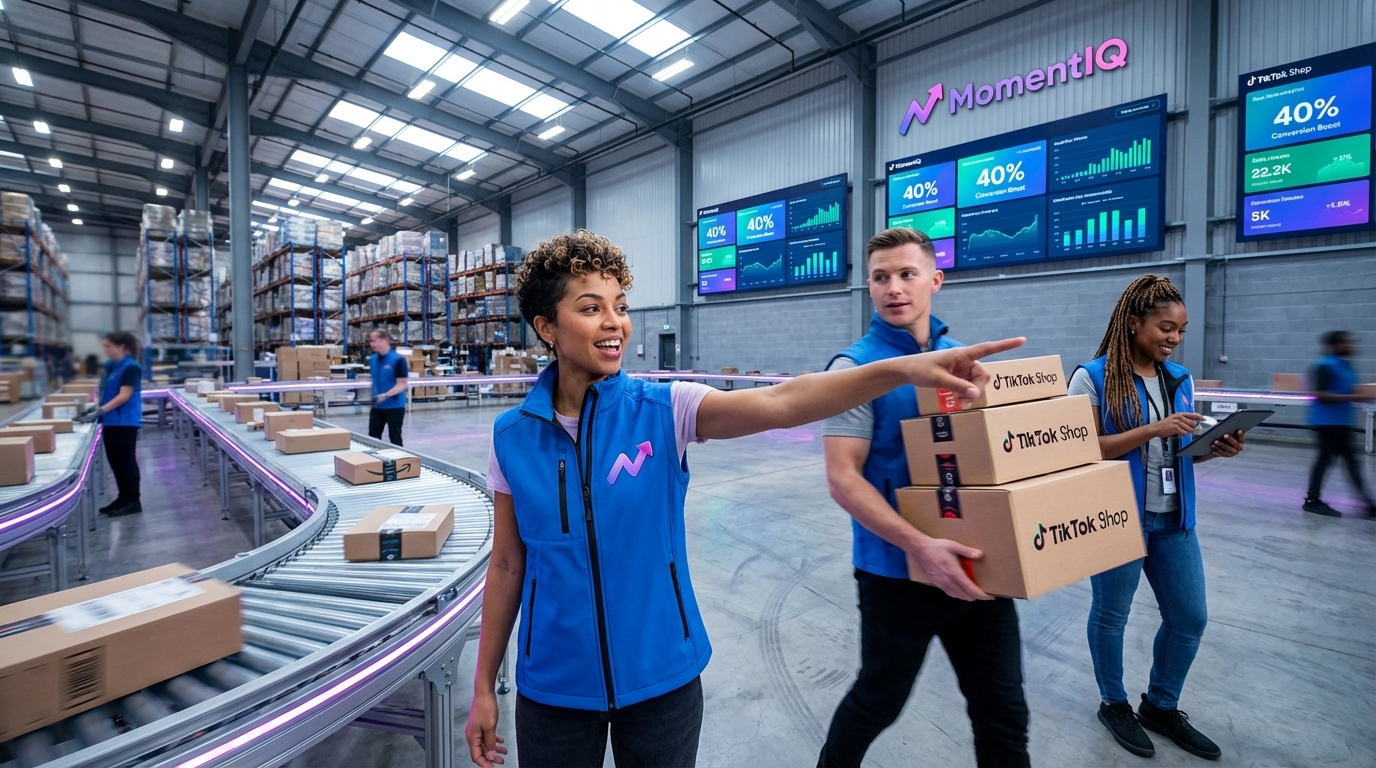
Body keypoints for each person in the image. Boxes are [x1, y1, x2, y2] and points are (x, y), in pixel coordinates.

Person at [464, 229, 1022, 768]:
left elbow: (786, 401)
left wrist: (900, 368)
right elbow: (511, 563)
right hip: (555, 687)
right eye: (591, 308)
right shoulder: (513, 438)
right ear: (546, 327)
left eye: (621, 305)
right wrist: (484, 684)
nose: (615, 324)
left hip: (664, 678)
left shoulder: (665, 411)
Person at [816, 227, 1030, 768]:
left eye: (907, 274)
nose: (894, 288)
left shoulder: (963, 361)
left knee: (1003, 712)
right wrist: (918, 545)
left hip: (980, 563)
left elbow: (997, 457)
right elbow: (844, 478)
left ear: (935, 279)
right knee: (877, 702)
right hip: (896, 573)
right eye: (881, 277)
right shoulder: (854, 370)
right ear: (868, 287)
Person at [1068, 274, 1244, 761]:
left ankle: (1161, 705)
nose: (1174, 338)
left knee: (1189, 617)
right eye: (1166, 327)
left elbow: (1178, 451)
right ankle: (1114, 703)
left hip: (1174, 520)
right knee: (1112, 615)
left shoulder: (1179, 380)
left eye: (1181, 330)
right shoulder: (1092, 376)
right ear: (1133, 323)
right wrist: (1152, 429)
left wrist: (1214, 451)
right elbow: (1079, 448)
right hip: (1115, 517)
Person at [1302, 330, 1376, 517]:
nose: (1351, 346)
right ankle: (1312, 501)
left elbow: (1346, 389)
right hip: (1326, 423)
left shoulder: (1346, 365)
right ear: (1334, 345)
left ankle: (1368, 504)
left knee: (1350, 462)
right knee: (1326, 461)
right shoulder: (1324, 366)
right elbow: (1320, 394)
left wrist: (1362, 394)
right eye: (1346, 342)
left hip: (1342, 423)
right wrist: (1355, 396)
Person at [97, 331, 144, 517]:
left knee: (126, 462)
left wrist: (101, 410)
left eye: (109, 346)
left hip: (125, 422)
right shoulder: (112, 366)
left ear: (121, 346)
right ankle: (123, 497)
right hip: (110, 421)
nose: (106, 350)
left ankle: (133, 500)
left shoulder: (131, 367)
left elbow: (124, 395)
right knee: (115, 463)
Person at [367, 329, 408, 446]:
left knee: (394, 437)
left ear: (384, 340)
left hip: (394, 406)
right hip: (377, 406)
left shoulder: (398, 360)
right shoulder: (373, 359)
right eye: (371, 341)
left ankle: (400, 461)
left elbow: (402, 383)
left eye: (374, 341)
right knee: (373, 438)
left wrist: (386, 395)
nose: (371, 344)